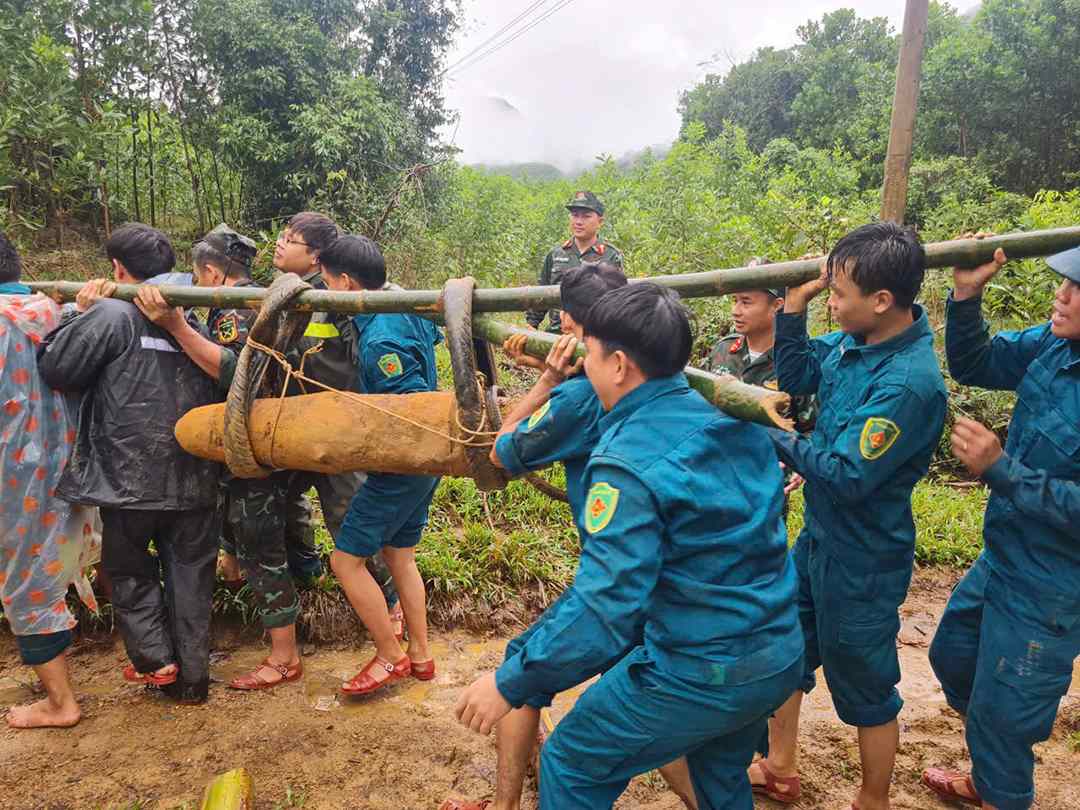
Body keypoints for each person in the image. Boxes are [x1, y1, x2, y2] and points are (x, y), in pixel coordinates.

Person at [454, 283, 804, 810]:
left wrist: (511, 680)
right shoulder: (735, 418)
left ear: (618, 364)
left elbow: (606, 607)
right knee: (718, 771)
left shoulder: (625, 464)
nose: (582, 362)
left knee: (572, 759)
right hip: (776, 653)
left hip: (701, 668)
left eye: (588, 351)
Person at [753, 222, 948, 810]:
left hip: (863, 558)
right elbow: (798, 377)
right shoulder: (852, 343)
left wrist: (772, 436)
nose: (831, 302)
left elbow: (846, 474)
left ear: (882, 301)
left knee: (865, 682)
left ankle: (872, 798)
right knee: (785, 645)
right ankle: (780, 768)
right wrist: (795, 309)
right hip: (820, 537)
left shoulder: (910, 385)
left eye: (838, 294)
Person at [440, 263, 629, 810]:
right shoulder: (646, 376)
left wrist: (546, 381)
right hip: (658, 577)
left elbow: (499, 453)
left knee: (521, 671)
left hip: (612, 580)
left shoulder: (573, 401)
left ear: (570, 323)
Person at [920, 244, 1080, 810]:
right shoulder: (1054, 346)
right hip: (1004, 556)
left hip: (1054, 584)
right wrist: (966, 294)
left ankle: (1001, 782)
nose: (1060, 296)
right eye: (1064, 283)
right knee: (952, 657)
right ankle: (992, 763)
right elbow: (975, 363)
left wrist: (1002, 470)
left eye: (1077, 289)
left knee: (1005, 714)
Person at [37, 223, 222, 704]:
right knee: (191, 574)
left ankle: (157, 664)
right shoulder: (191, 320)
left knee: (129, 569)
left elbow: (58, 368)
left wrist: (78, 316)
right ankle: (194, 678)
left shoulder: (111, 315)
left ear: (118, 269)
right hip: (194, 472)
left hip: (129, 477)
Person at [132, 224, 310, 690]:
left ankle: (285, 656)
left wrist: (175, 326)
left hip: (254, 448)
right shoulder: (253, 298)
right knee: (249, 541)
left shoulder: (236, 307)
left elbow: (236, 372)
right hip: (256, 442)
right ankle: (258, 612)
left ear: (211, 271)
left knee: (261, 547)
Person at [317, 235, 441, 696]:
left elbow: (408, 408)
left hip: (402, 464)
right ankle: (421, 655)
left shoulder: (379, 339)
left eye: (327, 282)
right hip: (429, 461)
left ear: (347, 282)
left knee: (345, 560)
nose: (325, 291)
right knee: (399, 554)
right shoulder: (403, 305)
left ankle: (390, 655)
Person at [273, 212, 401, 633]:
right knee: (280, 498)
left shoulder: (339, 299)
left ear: (316, 259)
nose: (279, 243)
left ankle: (391, 603)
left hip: (339, 424)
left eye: (291, 239)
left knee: (347, 512)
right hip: (294, 422)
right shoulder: (284, 293)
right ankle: (308, 574)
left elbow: (365, 350)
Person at [1, 232, 101, 729]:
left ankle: (60, 702)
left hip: (14, 475)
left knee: (25, 581)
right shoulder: (55, 312)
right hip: (73, 464)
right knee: (59, 559)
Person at [525, 191, 623, 334]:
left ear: (600, 222)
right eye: (575, 215)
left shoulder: (611, 256)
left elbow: (617, 302)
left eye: (586, 216)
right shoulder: (555, 254)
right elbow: (542, 293)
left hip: (593, 336)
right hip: (556, 335)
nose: (578, 221)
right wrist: (531, 325)